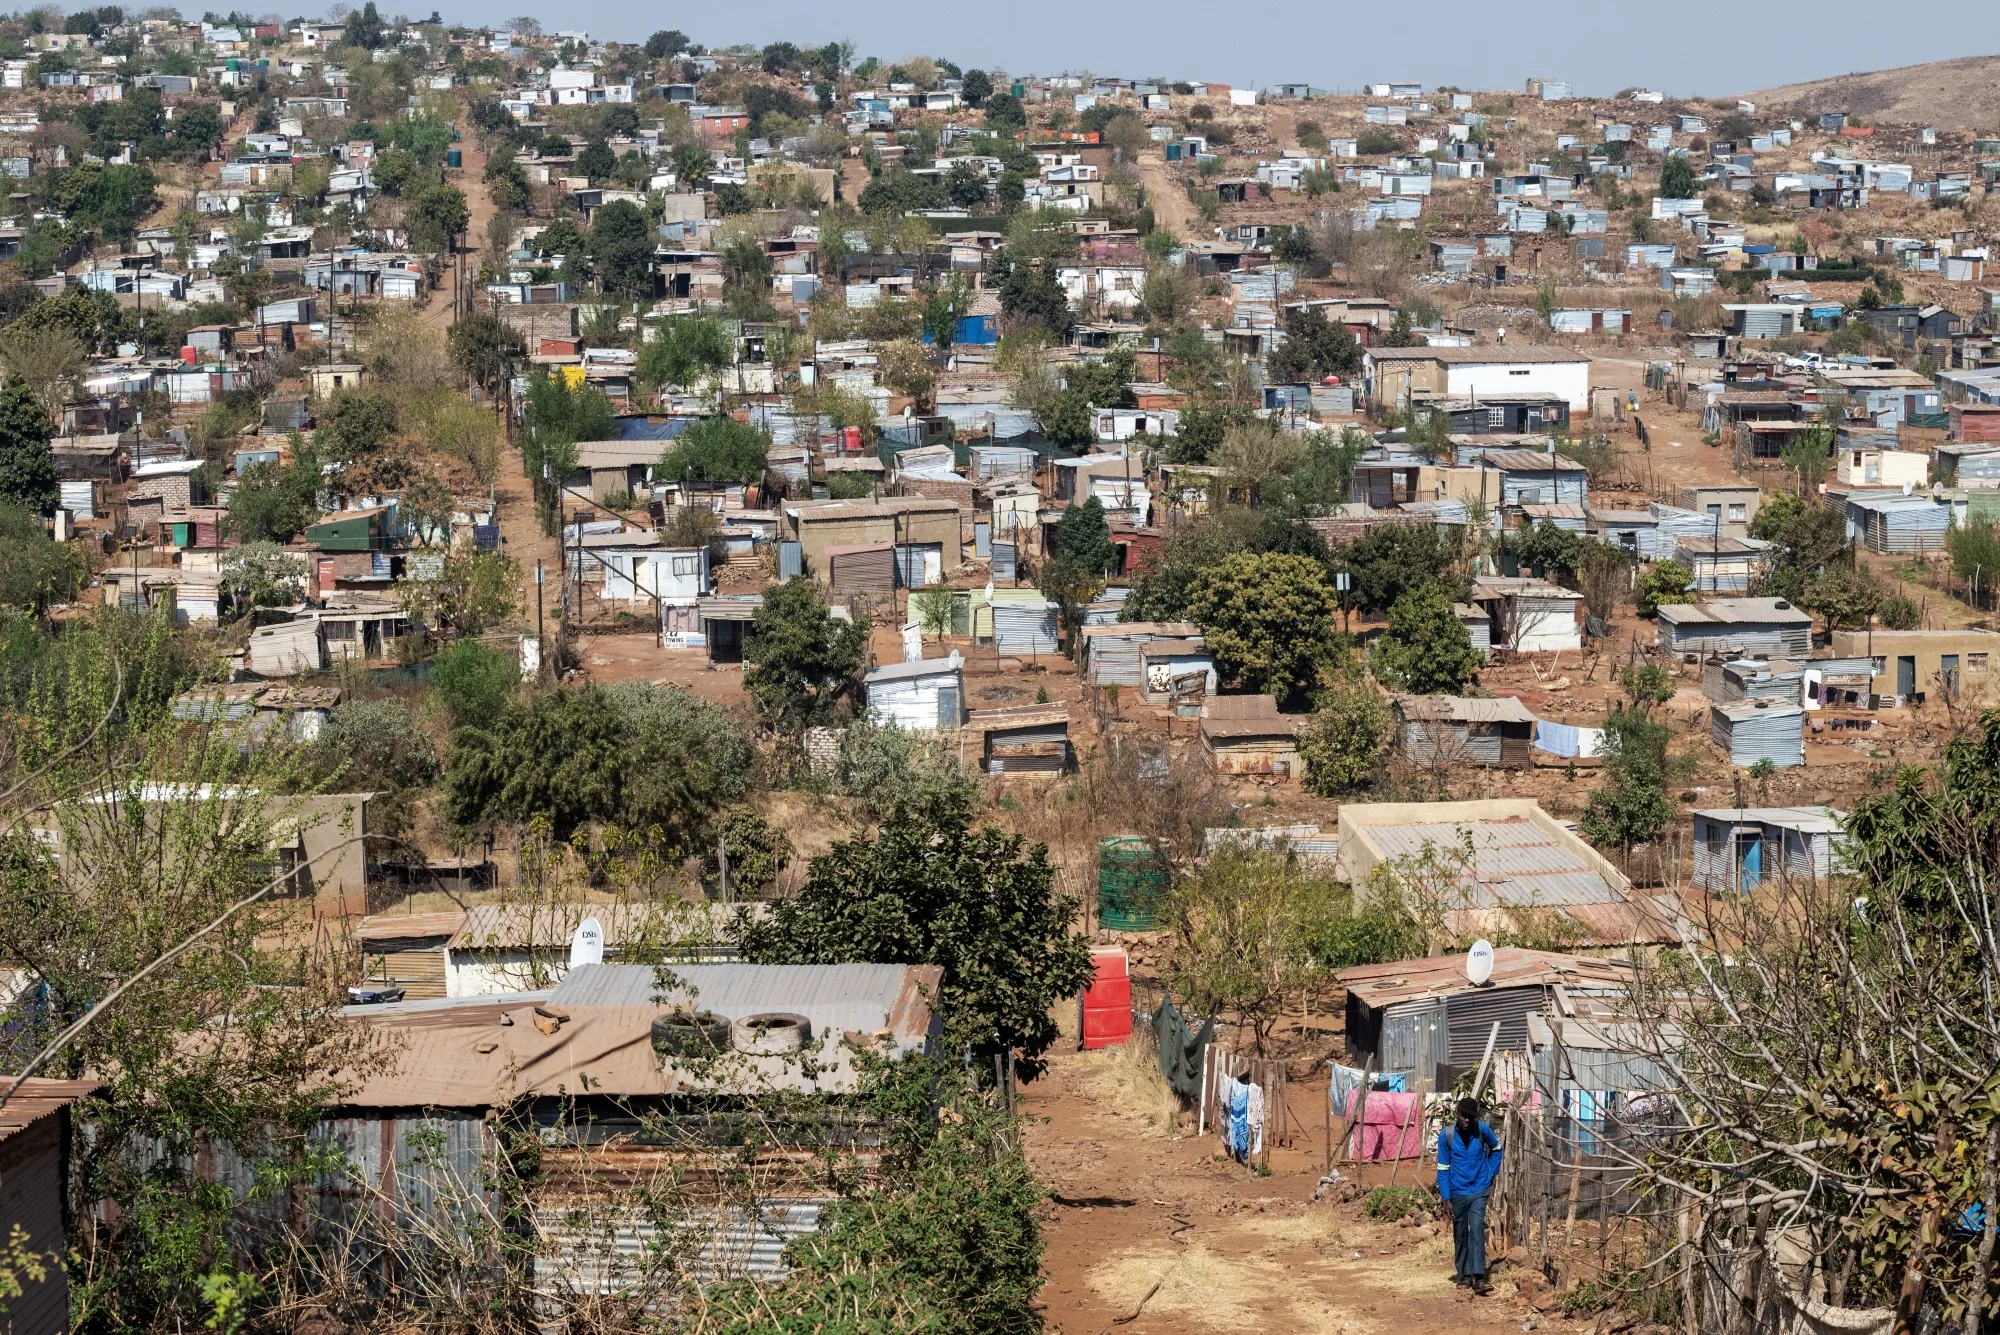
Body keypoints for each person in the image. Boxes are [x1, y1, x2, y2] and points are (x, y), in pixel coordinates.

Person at [1436, 1096, 1503, 1295]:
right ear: (1457, 1113)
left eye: (1471, 1117)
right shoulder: (1446, 1136)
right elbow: (1442, 1168)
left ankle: (1479, 1276)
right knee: (1460, 1232)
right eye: (1464, 1116)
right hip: (1457, 1192)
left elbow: (1497, 1149)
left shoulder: (1482, 1130)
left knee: (1476, 1228)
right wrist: (1446, 1198)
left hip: (1479, 1190)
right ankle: (1464, 1275)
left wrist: (1490, 1172)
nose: (1467, 1120)